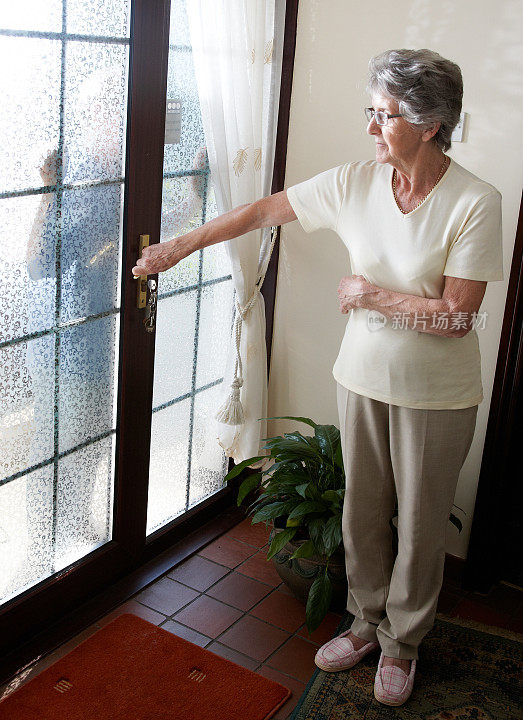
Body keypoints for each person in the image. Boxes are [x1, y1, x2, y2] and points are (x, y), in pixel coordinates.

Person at [132, 49, 504, 706]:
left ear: (427, 122)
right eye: (371, 110)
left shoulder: (473, 201)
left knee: (418, 526)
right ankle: (364, 624)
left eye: (383, 115)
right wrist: (179, 245)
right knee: (362, 510)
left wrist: (372, 295)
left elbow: (456, 317)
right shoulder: (355, 181)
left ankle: (401, 644)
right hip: (360, 378)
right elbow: (261, 211)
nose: (369, 127)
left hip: (437, 396)